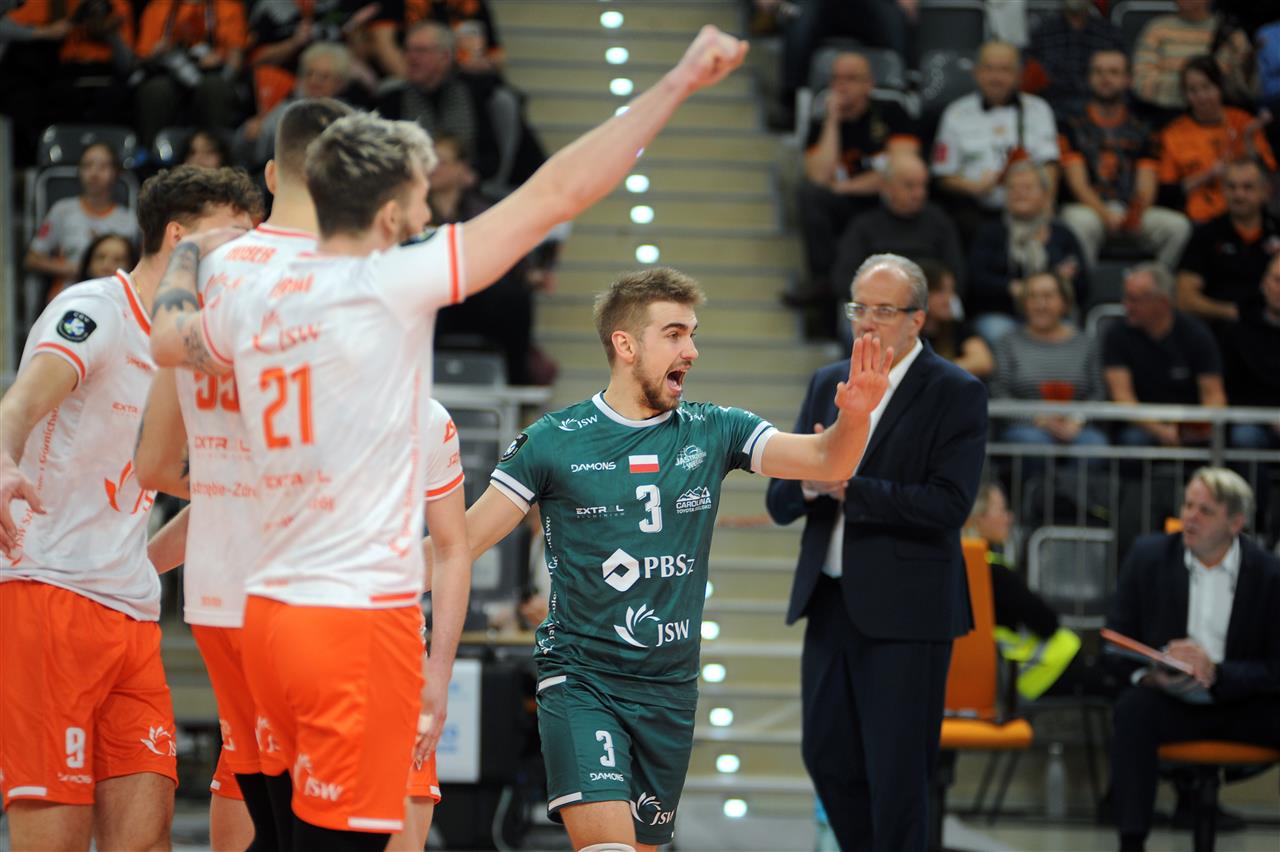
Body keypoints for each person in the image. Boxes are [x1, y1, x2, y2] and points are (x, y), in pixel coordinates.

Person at [146, 26, 755, 848]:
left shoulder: (251, 285)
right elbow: (557, 191)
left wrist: (191, 258)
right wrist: (676, 81)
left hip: (267, 613)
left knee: (282, 831)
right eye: (422, 201)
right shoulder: (388, 281)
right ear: (388, 213)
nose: (432, 213)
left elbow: (169, 342)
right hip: (353, 616)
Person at [453, 265, 888, 851]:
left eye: (693, 334)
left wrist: (855, 417)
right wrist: (373, 576)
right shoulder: (553, 440)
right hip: (583, 678)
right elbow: (461, 543)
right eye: (675, 334)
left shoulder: (715, 429)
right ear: (626, 344)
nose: (692, 351)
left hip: (670, 689)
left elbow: (828, 461)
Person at [0, 164, 259, 852]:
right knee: (55, 835)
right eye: (235, 238)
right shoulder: (95, 310)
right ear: (179, 238)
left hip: (131, 612)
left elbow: (212, 491)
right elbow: (20, 402)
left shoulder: (198, 349)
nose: (249, 256)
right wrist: (2, 461)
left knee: (147, 838)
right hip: (49, 591)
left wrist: (141, 560)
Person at [133, 98, 355, 851]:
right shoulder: (343, 278)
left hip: (218, 585)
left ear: (271, 174)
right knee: (321, 811)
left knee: (260, 790)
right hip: (304, 586)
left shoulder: (207, 269)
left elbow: (153, 464)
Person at [766, 254, 987, 851]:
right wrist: (813, 482)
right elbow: (780, 500)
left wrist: (850, 487)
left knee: (897, 773)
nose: (867, 321)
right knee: (827, 756)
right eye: (859, 307)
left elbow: (949, 505)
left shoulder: (955, 392)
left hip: (908, 610)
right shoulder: (827, 382)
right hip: (830, 600)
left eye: (883, 310)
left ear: (918, 319)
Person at [1106, 468, 1280, 852]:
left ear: (1236, 522)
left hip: (1242, 701)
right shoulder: (1148, 557)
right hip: (1169, 698)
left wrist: (1218, 673)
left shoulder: (1269, 574)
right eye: (1187, 505)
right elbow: (1115, 642)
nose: (1190, 517)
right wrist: (1151, 674)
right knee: (1132, 711)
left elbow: (1275, 668)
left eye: (1205, 510)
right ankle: (1131, 843)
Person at [794, 51, 917, 313]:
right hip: (842, 206)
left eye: (851, 79)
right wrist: (832, 121)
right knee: (810, 195)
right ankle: (824, 282)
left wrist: (846, 187)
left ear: (869, 84)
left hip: (882, 203)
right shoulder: (821, 122)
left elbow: (904, 169)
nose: (841, 86)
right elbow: (819, 177)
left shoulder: (892, 114)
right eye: (836, 79)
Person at [1058, 49, 1192, 272]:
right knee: (1077, 222)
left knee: (1177, 227)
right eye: (1098, 72)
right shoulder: (1072, 125)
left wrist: (1133, 215)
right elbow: (1078, 184)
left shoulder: (1143, 127)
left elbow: (1146, 184)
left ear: (1128, 79)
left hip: (1133, 210)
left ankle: (1150, 286)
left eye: (1113, 72)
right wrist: (1105, 215)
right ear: (1089, 78)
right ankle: (1082, 288)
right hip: (1090, 209)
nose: (1105, 78)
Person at [931, 41, 1060, 243]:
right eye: (989, 68)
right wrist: (973, 187)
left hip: (1028, 209)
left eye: (1004, 70)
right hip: (975, 210)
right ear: (976, 73)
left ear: (1018, 74)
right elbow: (943, 175)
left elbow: (1049, 165)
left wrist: (1046, 209)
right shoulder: (956, 113)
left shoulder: (1038, 110)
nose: (996, 77)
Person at [1103, 262, 1225, 448]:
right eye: (1125, 297)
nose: (1126, 305)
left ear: (1162, 302)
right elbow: (1122, 397)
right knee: (1133, 440)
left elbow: (1214, 395)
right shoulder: (1117, 334)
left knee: (1219, 440)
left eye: (1134, 299)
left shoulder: (1196, 334)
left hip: (1189, 424)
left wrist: (1197, 427)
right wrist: (1160, 430)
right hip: (1140, 425)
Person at [967, 160, 1089, 345]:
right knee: (997, 332)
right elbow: (976, 279)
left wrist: (1062, 284)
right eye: (1013, 187)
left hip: (1054, 317)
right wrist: (1011, 288)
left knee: (1070, 335)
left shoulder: (1062, 234)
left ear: (1045, 194)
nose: (1020, 193)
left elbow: (1083, 284)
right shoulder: (990, 232)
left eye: (1028, 187)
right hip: (1003, 314)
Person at [990, 271, 1108, 460]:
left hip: (1077, 427)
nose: (1040, 305)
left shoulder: (1086, 344)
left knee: (1093, 446)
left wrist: (1076, 420)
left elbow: (1098, 393)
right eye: (1032, 297)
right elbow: (999, 393)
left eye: (1048, 296)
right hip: (1025, 427)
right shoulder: (1007, 342)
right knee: (1033, 443)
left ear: (1065, 302)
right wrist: (1038, 420)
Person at [830, 150, 965, 308]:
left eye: (923, 186)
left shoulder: (939, 222)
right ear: (887, 186)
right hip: (880, 307)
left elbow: (958, 276)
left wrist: (933, 299)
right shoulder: (864, 227)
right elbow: (842, 280)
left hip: (929, 307)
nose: (919, 194)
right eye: (909, 186)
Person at [1157, 56, 1276, 225]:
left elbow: (1268, 178)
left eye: (1207, 87)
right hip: (1200, 219)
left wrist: (1249, 141)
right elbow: (1167, 193)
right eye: (1192, 90)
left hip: (1247, 216)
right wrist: (1207, 175)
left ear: (1219, 87)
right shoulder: (1173, 133)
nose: (1201, 96)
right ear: (1185, 94)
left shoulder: (1243, 121)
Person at [1176, 157, 1280, 334]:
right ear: (1223, 190)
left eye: (1248, 187)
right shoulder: (1206, 234)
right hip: (1221, 331)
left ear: (1266, 191)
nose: (1239, 195)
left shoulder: (1276, 230)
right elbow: (1184, 298)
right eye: (1231, 187)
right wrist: (1232, 312)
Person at [25, 141, 139, 301]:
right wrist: (76, 269)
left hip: (114, 299)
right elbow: (32, 259)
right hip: (67, 297)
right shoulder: (62, 211)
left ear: (115, 173)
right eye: (87, 165)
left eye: (103, 166)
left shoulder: (130, 219)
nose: (94, 173)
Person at [131, 0, 248, 147]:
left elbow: (236, 61)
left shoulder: (227, 6)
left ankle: (215, 152)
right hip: (170, 73)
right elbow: (141, 59)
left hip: (210, 76)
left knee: (215, 87)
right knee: (155, 90)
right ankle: (152, 152)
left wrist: (219, 60)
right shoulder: (158, 6)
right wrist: (156, 54)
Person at [1024, 0, 1124, 120]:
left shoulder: (1109, 34)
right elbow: (1028, 78)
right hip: (1052, 110)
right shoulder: (1043, 32)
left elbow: (1123, 77)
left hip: (1101, 109)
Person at [1131, 0, 1217, 120]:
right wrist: (1195, 90)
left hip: (1214, 116)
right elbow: (1141, 83)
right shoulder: (1157, 28)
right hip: (1164, 115)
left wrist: (1192, 89)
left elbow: (1230, 86)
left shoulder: (1224, 30)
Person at [916, 258, 993, 380]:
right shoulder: (907, 331)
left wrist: (933, 370)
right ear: (922, 294)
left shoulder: (957, 327)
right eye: (940, 291)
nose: (949, 299)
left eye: (951, 291)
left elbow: (983, 362)